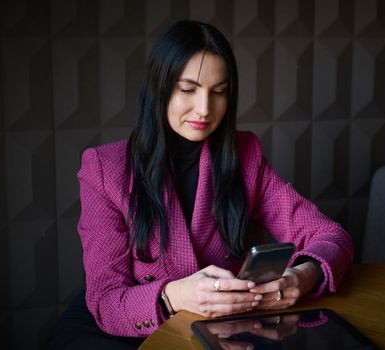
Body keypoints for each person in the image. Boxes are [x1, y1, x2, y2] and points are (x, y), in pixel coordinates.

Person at [48, 19, 353, 349]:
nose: (205, 109)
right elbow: (106, 301)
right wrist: (174, 295)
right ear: (160, 88)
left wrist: (304, 276)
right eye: (188, 89)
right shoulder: (105, 167)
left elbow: (332, 236)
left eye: (219, 92)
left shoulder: (245, 155)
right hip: (124, 330)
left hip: (212, 328)